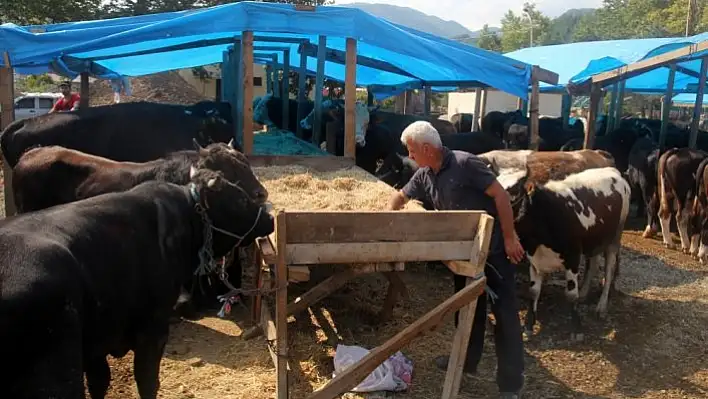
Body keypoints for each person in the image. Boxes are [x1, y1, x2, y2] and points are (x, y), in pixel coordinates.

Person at [386, 121, 526, 399]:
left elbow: (500, 196)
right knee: (466, 309)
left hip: (494, 252)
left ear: (427, 148)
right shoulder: (426, 173)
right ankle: (467, 362)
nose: (410, 156)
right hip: (463, 253)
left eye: (412, 151)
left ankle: (510, 384)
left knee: (504, 316)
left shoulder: (465, 163)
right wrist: (388, 216)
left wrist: (510, 238)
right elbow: (400, 197)